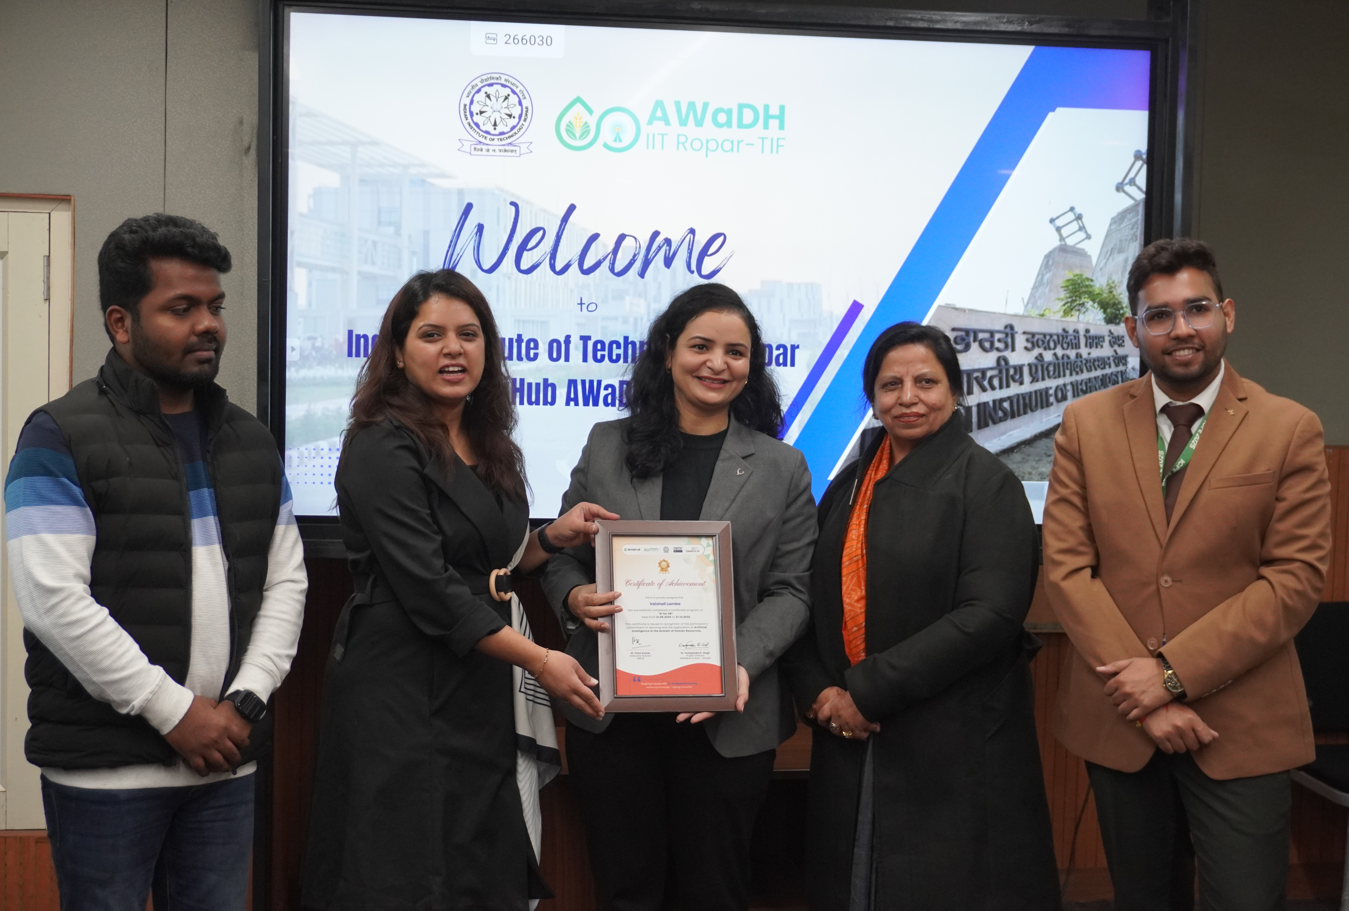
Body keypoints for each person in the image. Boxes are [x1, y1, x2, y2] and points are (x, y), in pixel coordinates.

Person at [2, 214, 307, 910]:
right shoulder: (58, 435)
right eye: (182, 308)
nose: (208, 325)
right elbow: (54, 602)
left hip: (224, 763)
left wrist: (243, 704)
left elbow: (286, 582)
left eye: (214, 306)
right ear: (120, 322)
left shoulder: (251, 441)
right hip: (107, 772)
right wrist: (175, 713)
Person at [301, 269, 616, 911]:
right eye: (432, 335)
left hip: (475, 675)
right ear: (397, 352)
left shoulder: (487, 438)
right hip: (400, 678)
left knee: (473, 861)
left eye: (469, 335)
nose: (454, 349)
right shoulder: (380, 444)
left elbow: (487, 564)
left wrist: (550, 537)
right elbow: (430, 587)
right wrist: (541, 661)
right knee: (405, 869)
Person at [1043, 238, 1333, 911]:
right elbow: (1066, 567)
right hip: (1120, 719)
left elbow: (1292, 580)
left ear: (1226, 314)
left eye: (1196, 308)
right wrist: (1145, 693)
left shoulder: (1288, 427)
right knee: (1143, 897)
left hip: (1240, 722)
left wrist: (1170, 675)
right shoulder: (1084, 424)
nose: (1180, 328)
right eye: (1159, 315)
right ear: (1132, 330)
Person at [540, 283, 816, 911]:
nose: (718, 363)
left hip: (728, 718)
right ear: (668, 353)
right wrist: (575, 596)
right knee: (625, 890)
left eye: (736, 352)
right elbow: (563, 553)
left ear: (752, 366)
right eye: (700, 346)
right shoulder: (607, 445)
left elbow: (793, 590)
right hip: (613, 717)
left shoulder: (782, 466)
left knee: (714, 892)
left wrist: (735, 663)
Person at [782, 322, 1059, 911]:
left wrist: (866, 693)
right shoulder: (848, 484)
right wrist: (818, 693)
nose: (908, 398)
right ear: (873, 399)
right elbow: (806, 598)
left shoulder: (989, 484)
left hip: (950, 745)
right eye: (891, 385)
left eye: (926, 382)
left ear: (955, 392)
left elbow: (989, 615)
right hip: (847, 733)